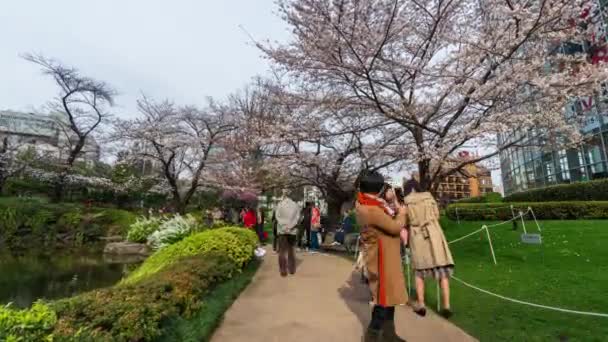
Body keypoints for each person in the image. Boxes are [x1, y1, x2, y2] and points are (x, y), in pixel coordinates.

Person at [356, 170, 407, 342]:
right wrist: (402, 213)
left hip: (383, 255)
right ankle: (372, 335)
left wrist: (391, 203)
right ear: (378, 188)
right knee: (383, 299)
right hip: (382, 259)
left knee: (389, 297)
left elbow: (386, 218)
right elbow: (394, 227)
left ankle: (389, 334)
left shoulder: (366, 203)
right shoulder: (372, 210)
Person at [404, 180, 455, 319]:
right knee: (442, 271)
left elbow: (405, 221)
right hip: (434, 234)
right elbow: (437, 215)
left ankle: (421, 305)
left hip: (417, 236)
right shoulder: (429, 197)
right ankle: (446, 306)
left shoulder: (406, 202)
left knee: (419, 272)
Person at [274, 191, 301, 276]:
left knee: (282, 251)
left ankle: (283, 270)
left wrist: (284, 226)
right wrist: (290, 226)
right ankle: (292, 269)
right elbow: (297, 218)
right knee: (291, 250)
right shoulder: (295, 205)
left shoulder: (280, 204)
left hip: (282, 230)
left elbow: (277, 216)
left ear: (284, 195)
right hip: (292, 230)